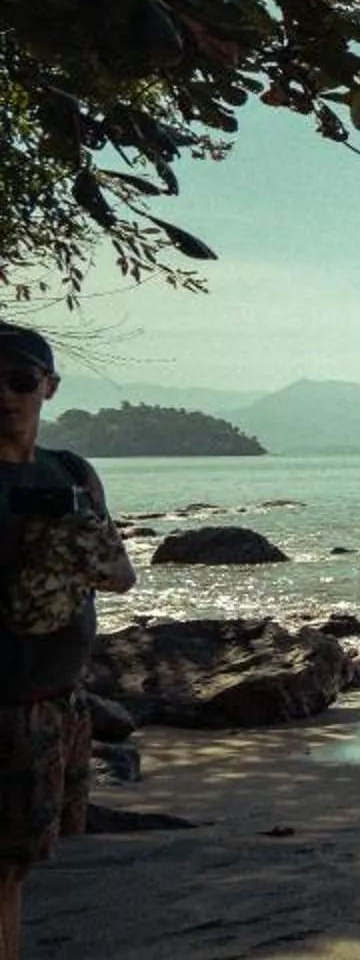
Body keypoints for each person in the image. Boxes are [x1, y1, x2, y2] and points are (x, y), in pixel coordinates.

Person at [0, 323, 133, 960]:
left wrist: (68, 539)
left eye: (19, 379)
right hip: (4, 700)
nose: (4, 394)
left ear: (48, 387)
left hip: (57, 701)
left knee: (19, 864)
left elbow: (120, 575)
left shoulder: (72, 473)